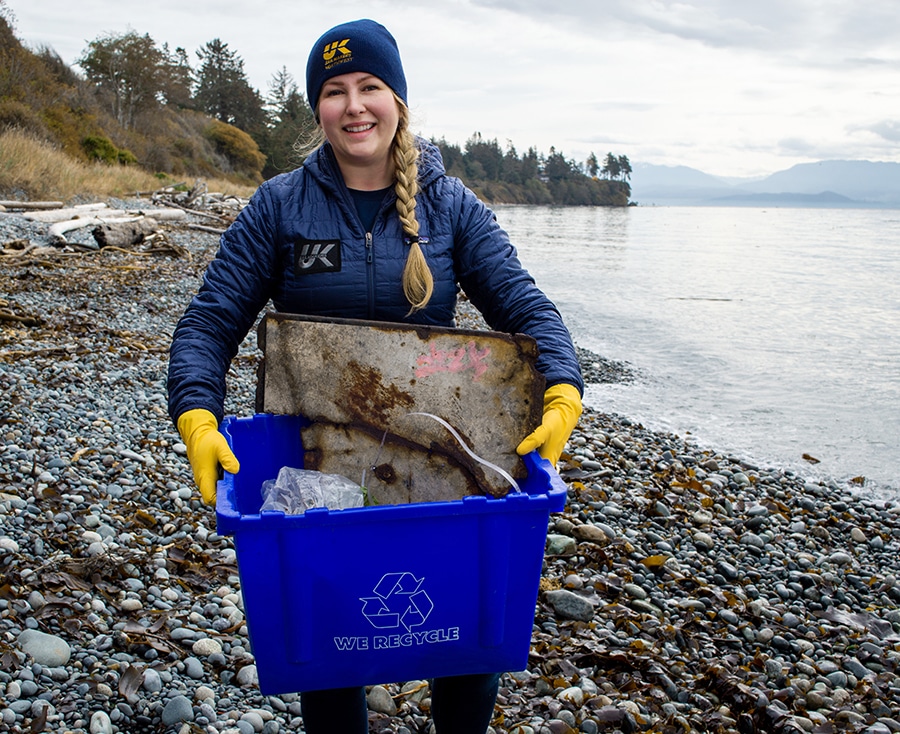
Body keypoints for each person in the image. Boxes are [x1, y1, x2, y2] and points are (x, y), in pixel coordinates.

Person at [167, 18, 583, 734]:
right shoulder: (279, 206)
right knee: (330, 642)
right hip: (318, 464)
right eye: (334, 92)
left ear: (399, 100)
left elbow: (527, 308)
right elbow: (208, 323)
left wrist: (563, 386)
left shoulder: (451, 207)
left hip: (438, 458)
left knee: (464, 638)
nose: (354, 106)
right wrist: (196, 416)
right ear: (317, 108)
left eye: (370, 87)